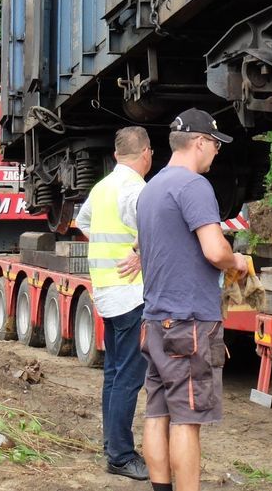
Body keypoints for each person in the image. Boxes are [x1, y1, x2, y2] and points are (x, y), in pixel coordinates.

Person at [136, 108, 248, 491]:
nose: (217, 153)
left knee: (157, 411)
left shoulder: (151, 188)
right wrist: (240, 261)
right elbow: (215, 251)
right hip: (189, 324)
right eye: (215, 145)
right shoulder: (194, 187)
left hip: (155, 320)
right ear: (200, 142)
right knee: (187, 418)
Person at [77, 126, 152, 481]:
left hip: (106, 291)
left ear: (117, 154)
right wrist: (136, 253)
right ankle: (121, 455)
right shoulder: (136, 188)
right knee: (128, 377)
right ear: (146, 153)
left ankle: (112, 445)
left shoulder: (102, 186)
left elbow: (83, 222)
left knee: (113, 374)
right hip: (131, 294)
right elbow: (156, 233)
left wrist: (116, 252)